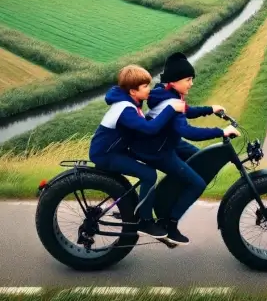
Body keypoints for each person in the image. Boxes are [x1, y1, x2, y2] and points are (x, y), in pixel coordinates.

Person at [136, 52, 239, 245]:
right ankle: (169, 223)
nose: (191, 83)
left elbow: (186, 110)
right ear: (174, 81)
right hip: (157, 149)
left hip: (165, 141)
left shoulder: (167, 92)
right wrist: (221, 132)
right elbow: (186, 130)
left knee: (198, 158)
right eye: (188, 79)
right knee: (197, 183)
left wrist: (210, 109)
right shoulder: (169, 101)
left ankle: (170, 197)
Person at [88, 64, 186, 240]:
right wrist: (171, 108)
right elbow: (149, 129)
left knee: (148, 167)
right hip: (106, 154)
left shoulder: (131, 101)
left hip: (116, 149)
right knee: (149, 174)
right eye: (145, 86)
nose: (149, 89)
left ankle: (137, 208)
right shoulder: (126, 109)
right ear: (133, 91)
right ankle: (145, 221)